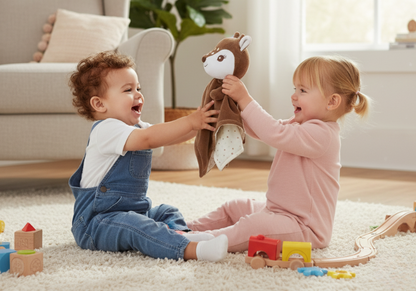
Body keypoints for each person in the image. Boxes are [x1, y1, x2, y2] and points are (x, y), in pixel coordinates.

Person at [187, 55, 370, 253]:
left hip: (305, 228)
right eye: (295, 89)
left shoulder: (323, 134)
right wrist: (231, 110)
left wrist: (245, 99)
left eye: (303, 90)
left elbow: (274, 133)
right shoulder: (300, 125)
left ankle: (197, 242)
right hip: (278, 212)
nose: (294, 96)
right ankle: (187, 227)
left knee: (253, 226)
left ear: (332, 101)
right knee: (236, 206)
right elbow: (263, 130)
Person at [68, 51, 228, 262]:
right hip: (96, 223)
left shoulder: (137, 128)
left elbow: (167, 137)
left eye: (138, 88)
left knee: (166, 212)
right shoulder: (106, 130)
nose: (138, 95)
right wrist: (191, 121)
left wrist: (201, 124)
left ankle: (181, 235)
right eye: (128, 90)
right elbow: (149, 139)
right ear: (99, 104)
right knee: (136, 226)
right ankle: (191, 250)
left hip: (135, 212)